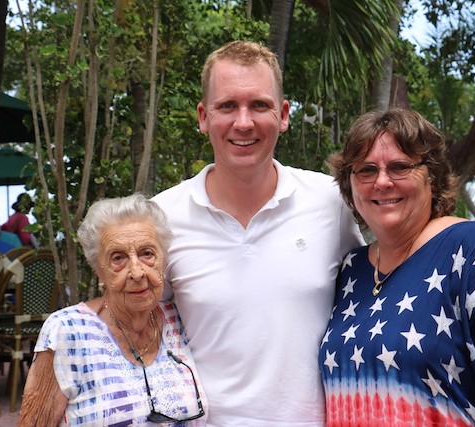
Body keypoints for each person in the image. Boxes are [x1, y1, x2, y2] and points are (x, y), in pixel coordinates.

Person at [151, 40, 364, 426]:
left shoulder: (330, 202)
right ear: (203, 116)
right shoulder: (162, 217)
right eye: (227, 106)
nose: (244, 122)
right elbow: (135, 321)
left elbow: (378, 292)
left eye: (260, 105)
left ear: (283, 115)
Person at [318, 108, 475, 426]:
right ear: (349, 183)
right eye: (366, 170)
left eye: (400, 167)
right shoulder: (350, 270)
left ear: (432, 175)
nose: (382, 181)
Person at [18, 194, 206, 426]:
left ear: (163, 259)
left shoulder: (177, 318)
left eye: (147, 254)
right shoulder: (68, 331)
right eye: (118, 258)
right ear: (99, 270)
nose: (137, 272)